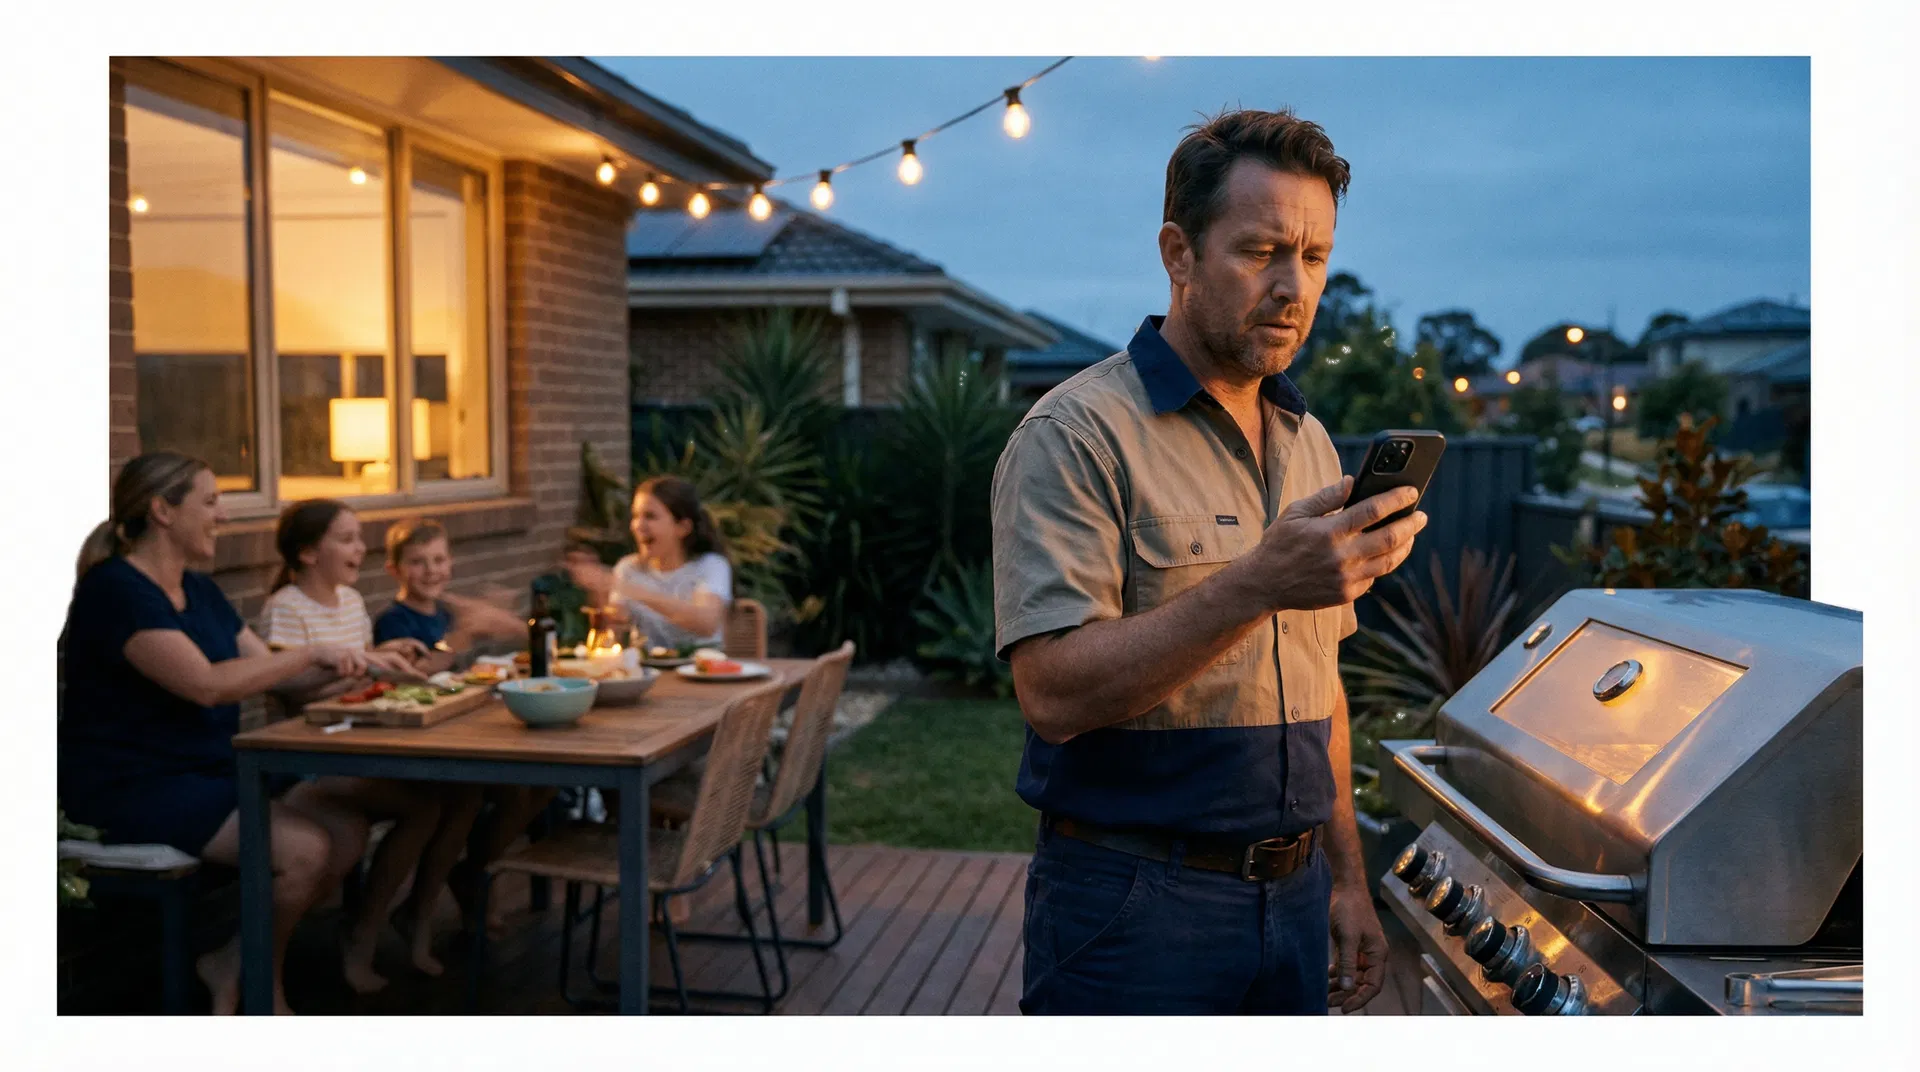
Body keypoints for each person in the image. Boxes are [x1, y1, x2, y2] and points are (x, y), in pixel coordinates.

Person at [990, 108, 1427, 1016]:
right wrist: (1256, 584)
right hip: (1135, 904)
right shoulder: (1076, 435)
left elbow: (1323, 688)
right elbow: (1054, 695)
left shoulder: (1309, 446)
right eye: (1260, 250)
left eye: (1312, 257)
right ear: (1178, 254)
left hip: (1301, 896)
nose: (1291, 287)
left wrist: (1349, 878)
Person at [58, 452, 372, 1014]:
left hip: (209, 774)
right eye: (210, 501)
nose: (222, 516)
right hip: (132, 786)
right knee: (305, 850)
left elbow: (282, 672)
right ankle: (260, 984)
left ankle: (231, 959)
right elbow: (206, 685)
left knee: (346, 829)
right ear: (162, 511)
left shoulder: (199, 592)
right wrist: (310, 649)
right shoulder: (116, 592)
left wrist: (367, 663)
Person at [259, 500, 450, 995]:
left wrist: (385, 657)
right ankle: (360, 933)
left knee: (437, 801)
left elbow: (357, 675)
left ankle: (367, 929)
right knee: (422, 806)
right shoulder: (285, 609)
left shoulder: (351, 601)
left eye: (359, 537)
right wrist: (368, 666)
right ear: (306, 553)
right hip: (307, 758)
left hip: (358, 744)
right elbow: (291, 688)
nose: (359, 548)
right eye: (345, 538)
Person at [370, 518, 526, 969]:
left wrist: (495, 620)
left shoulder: (443, 612)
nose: (431, 570)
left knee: (525, 791)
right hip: (415, 746)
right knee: (466, 798)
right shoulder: (394, 621)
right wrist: (463, 637)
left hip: (459, 735)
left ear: (451, 564)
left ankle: (475, 875)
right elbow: (414, 676)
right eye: (417, 563)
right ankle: (420, 912)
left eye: (438, 560)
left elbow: (508, 635)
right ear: (394, 570)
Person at [565, 476, 732, 653]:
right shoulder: (628, 568)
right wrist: (599, 591)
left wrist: (629, 589)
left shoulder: (711, 565)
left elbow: (705, 623)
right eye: (636, 516)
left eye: (650, 516)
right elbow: (613, 638)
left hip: (701, 673)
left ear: (682, 528)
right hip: (646, 673)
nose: (638, 525)